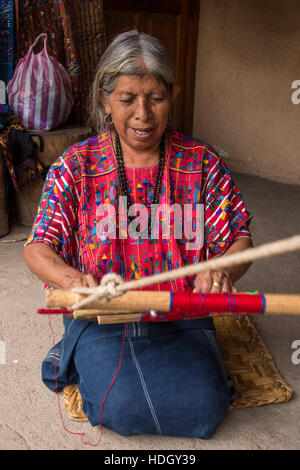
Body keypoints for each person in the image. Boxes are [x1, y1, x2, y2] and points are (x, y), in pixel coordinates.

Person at [24, 29, 253, 439]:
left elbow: (239, 240)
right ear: (104, 99)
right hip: (104, 317)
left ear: (174, 95)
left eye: (156, 98)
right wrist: (72, 281)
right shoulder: (75, 166)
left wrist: (222, 271)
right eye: (128, 99)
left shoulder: (201, 164)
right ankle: (80, 348)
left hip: (181, 314)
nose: (143, 114)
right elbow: (38, 247)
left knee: (206, 405)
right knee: (120, 405)